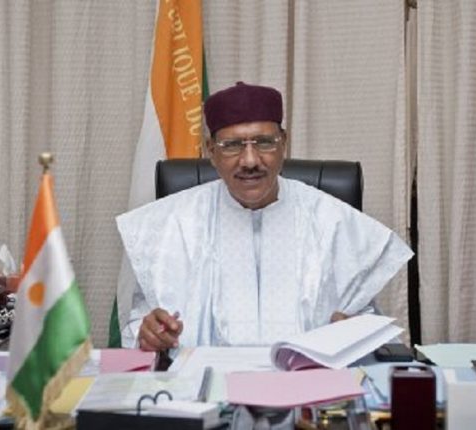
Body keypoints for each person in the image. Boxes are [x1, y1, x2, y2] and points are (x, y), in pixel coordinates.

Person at [115, 82, 413, 352]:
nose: (250, 161)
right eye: (232, 145)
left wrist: (356, 331)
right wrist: (148, 334)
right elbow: (138, 328)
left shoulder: (333, 221)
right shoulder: (169, 225)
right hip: (203, 386)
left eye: (264, 142)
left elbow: (371, 329)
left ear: (284, 143)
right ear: (211, 151)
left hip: (309, 384)